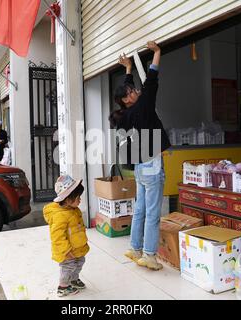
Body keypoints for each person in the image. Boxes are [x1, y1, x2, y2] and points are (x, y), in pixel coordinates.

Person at [109, 41, 171, 271]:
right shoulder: (143, 105)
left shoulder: (123, 114)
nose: (135, 90)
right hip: (152, 165)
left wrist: (127, 68)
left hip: (139, 167)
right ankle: (149, 255)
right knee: (153, 212)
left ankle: (135, 248)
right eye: (131, 91)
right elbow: (151, 79)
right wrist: (157, 52)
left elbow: (130, 87)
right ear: (127, 99)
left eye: (135, 89)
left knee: (141, 210)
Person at [43, 175, 89, 297]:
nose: (80, 200)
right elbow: (57, 236)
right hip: (66, 251)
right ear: (68, 199)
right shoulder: (59, 215)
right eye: (78, 198)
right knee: (68, 267)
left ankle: (73, 280)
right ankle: (63, 287)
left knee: (80, 262)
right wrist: (65, 250)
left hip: (77, 247)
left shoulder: (74, 209)